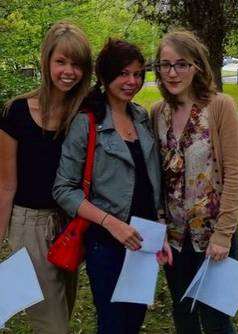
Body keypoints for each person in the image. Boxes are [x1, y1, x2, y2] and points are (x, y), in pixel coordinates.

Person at [53, 38, 172, 334]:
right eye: (123, 73)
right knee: (113, 324)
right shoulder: (87, 121)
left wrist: (159, 230)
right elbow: (64, 189)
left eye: (137, 74)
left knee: (134, 321)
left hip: (144, 240)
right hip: (107, 244)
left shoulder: (140, 116)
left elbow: (149, 179)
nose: (131, 81)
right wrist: (112, 224)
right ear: (105, 76)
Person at [0, 21, 92, 334]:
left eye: (77, 64)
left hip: (70, 224)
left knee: (64, 311)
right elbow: (5, 183)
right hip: (29, 226)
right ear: (46, 61)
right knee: (51, 326)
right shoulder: (16, 113)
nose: (69, 71)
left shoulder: (85, 112)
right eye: (61, 61)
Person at [151, 30, 238, 334]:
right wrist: (159, 227)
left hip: (213, 238)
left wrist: (223, 234)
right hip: (175, 240)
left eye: (182, 64)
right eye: (165, 65)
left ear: (197, 67)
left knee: (217, 320)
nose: (173, 72)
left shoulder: (220, 106)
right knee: (184, 316)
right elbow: (158, 178)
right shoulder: (158, 113)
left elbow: (234, 174)